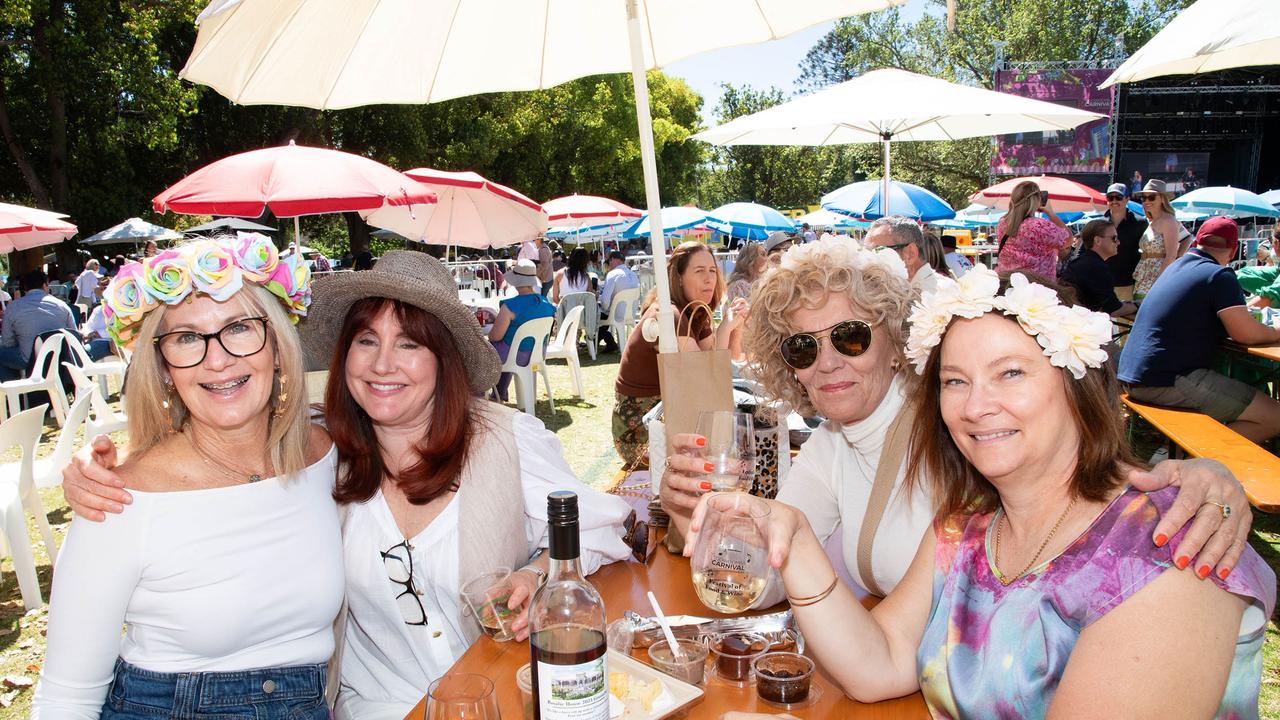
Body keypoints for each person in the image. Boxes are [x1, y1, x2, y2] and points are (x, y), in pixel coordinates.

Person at [58, 248, 633, 720]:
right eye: (366, 341)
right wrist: (96, 470)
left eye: (410, 343)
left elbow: (603, 527)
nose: (384, 364)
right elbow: (70, 691)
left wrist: (539, 573)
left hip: (493, 702)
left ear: (445, 360)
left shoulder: (494, 442)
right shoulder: (320, 455)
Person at [698, 266, 1273, 717]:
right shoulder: (969, 527)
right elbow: (879, 665)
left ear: (1077, 384)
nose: (975, 406)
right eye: (955, 381)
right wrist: (794, 541)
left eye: (1011, 373)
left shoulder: (1167, 547)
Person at [659, 236, 1254, 603]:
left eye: (849, 335)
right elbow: (769, 574)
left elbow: (1079, 475)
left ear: (896, 340)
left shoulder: (958, 424)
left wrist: (1205, 479)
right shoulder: (833, 445)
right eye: (802, 348)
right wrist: (698, 525)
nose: (828, 361)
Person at [33, 237, 340, 719]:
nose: (217, 359)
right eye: (187, 338)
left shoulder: (323, 455)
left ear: (279, 347)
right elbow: (66, 696)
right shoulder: (120, 500)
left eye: (239, 328)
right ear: (163, 366)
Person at [1119, 217, 1280, 443]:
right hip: (1168, 378)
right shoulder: (1219, 275)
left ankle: (1194, 457)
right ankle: (1197, 466)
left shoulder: (1175, 267)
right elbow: (1246, 334)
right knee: (1274, 416)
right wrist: (1275, 331)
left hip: (1133, 374)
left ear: (1196, 242)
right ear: (1233, 251)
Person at [613, 241, 748, 468]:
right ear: (678, 277)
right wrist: (725, 328)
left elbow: (726, 358)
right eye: (699, 271)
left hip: (674, 415)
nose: (710, 279)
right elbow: (705, 379)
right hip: (642, 432)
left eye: (713, 271)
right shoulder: (669, 315)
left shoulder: (695, 312)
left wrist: (736, 326)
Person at [489, 259, 556, 402]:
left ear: (515, 280)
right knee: (507, 348)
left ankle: (492, 394)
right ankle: (500, 393)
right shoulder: (546, 303)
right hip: (538, 354)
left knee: (492, 348)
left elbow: (494, 336)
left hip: (515, 356)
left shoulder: (509, 306)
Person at [0, 269, 77, 380]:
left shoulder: (14, 307)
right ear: (46, 285)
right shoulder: (62, 306)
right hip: (60, 358)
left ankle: (15, 392)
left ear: (25, 289)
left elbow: (8, 342)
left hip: (28, 359)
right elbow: (73, 335)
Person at [994, 181, 1070, 280]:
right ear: (1036, 200)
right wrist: (1051, 213)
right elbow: (1068, 239)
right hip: (1036, 287)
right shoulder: (1040, 226)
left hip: (1007, 282)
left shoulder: (1003, 223)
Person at [1060, 219, 1137, 317]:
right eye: (1114, 238)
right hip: (1080, 325)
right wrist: (1138, 305)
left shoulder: (1082, 262)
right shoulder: (1096, 267)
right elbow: (1114, 310)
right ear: (1097, 241)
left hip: (1070, 321)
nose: (1118, 242)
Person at [1132, 179, 1192, 297]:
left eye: (1152, 197)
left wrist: (1160, 279)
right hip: (1144, 275)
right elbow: (1187, 237)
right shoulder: (1152, 221)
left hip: (1157, 277)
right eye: (1144, 198)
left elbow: (1171, 254)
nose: (1147, 201)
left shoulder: (1168, 220)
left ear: (1162, 199)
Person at [864, 216, 940, 293]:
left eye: (877, 250)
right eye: (866, 252)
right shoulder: (902, 288)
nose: (867, 260)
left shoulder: (940, 296)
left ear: (910, 253)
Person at [1102, 182, 1148, 301]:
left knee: (1124, 320)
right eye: (1110, 197)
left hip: (1127, 283)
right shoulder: (1100, 223)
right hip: (1102, 282)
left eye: (1119, 197)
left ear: (1127, 199)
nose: (1114, 201)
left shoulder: (1140, 223)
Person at [597, 250, 638, 353]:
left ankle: (595, 341)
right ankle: (607, 341)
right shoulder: (633, 275)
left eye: (609, 262)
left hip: (616, 315)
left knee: (598, 312)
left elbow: (605, 302)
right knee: (604, 312)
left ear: (612, 260)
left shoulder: (612, 274)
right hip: (632, 313)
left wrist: (600, 303)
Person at [80, 275, 116, 360]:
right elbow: (89, 326)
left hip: (109, 342)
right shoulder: (98, 309)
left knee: (84, 354)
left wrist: (96, 334)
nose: (104, 291)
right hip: (94, 341)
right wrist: (85, 334)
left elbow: (119, 329)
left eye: (106, 288)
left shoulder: (119, 308)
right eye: (102, 289)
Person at [724, 241, 766, 306]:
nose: (766, 258)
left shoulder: (760, 280)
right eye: (763, 254)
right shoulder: (739, 285)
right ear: (751, 258)